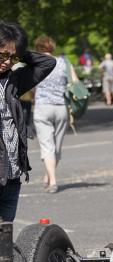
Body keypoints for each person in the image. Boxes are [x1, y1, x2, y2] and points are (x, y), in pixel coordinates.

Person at [0, 20, 55, 221]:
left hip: (12, 174)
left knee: (4, 239)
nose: (7, 61)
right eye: (3, 55)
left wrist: (19, 51)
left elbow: (48, 62)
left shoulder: (14, 80)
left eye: (12, 58)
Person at [33, 35, 79, 193]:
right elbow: (75, 82)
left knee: (47, 145)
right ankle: (48, 176)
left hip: (42, 106)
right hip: (61, 107)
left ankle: (52, 181)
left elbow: (29, 85)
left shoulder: (35, 63)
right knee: (56, 145)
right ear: (52, 47)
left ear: (38, 48)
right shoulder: (64, 62)